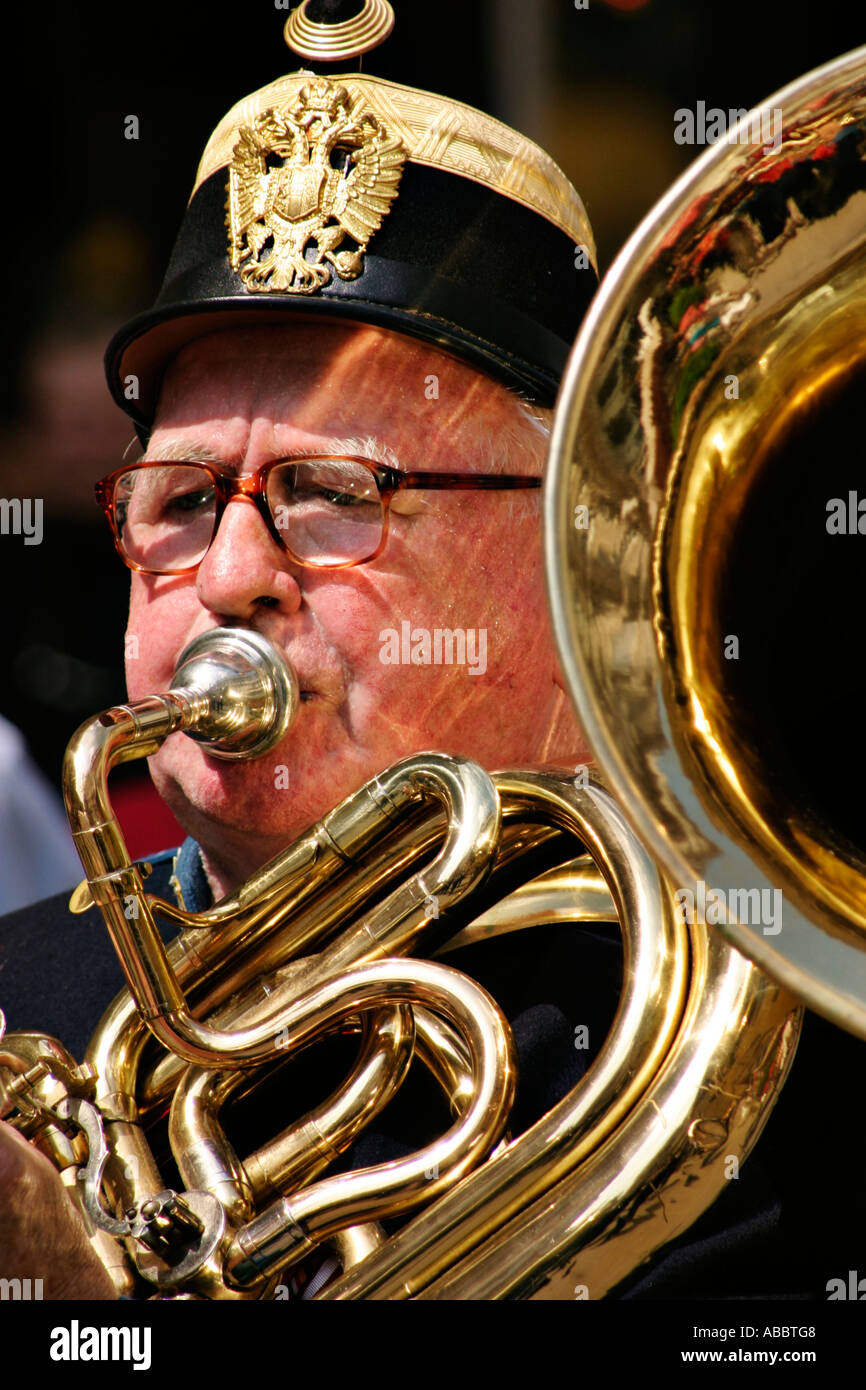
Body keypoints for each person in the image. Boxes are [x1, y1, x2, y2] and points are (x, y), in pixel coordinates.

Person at [0, 2, 863, 1303]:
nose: (231, 575)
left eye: (333, 494)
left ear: (567, 558)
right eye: (180, 501)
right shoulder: (19, 1001)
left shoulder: (780, 1066)